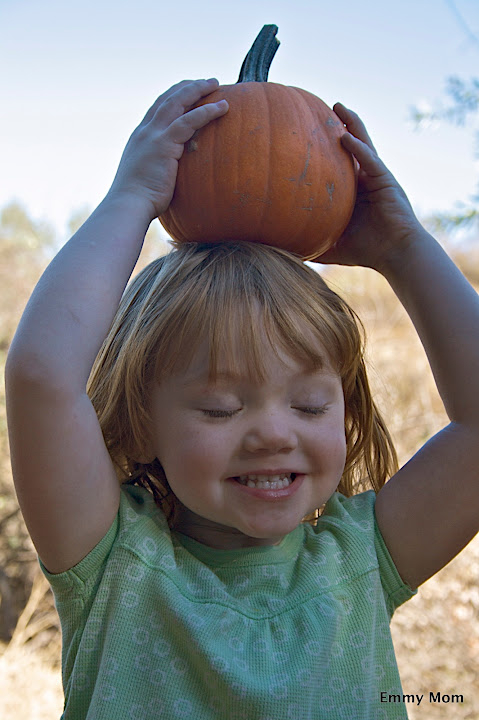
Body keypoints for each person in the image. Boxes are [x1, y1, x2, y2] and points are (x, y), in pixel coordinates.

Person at [5, 78, 479, 720]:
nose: (274, 434)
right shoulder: (114, 564)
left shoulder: (362, 560)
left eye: (309, 406)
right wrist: (131, 200)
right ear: (142, 424)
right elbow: (42, 376)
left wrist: (403, 247)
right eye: (221, 409)